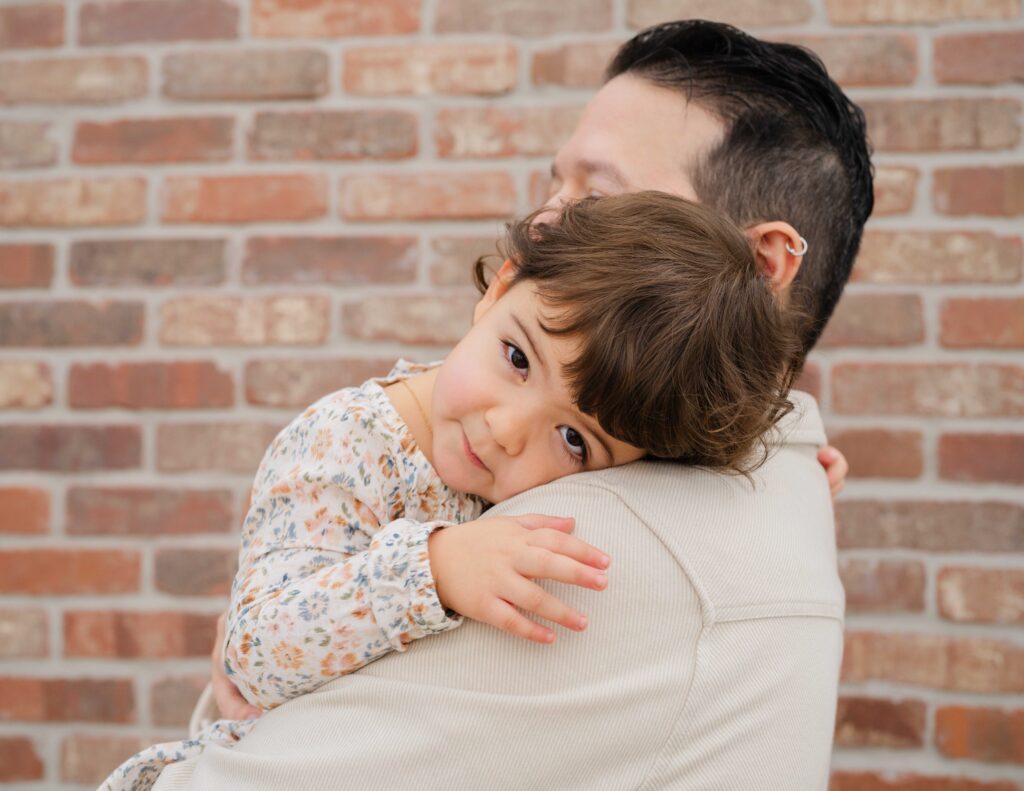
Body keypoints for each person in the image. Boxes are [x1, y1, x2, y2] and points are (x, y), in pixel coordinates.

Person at [154, 18, 872, 791]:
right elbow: (263, 657)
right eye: (556, 185)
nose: (542, 224)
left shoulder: (619, 542)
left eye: (597, 196)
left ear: (763, 266)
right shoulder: (751, 494)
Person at [100, 190, 807, 791]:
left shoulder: (562, 477)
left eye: (572, 439)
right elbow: (253, 655)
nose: (505, 429)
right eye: (517, 358)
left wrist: (795, 468)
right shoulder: (344, 443)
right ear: (499, 287)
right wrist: (432, 569)